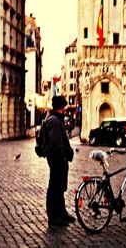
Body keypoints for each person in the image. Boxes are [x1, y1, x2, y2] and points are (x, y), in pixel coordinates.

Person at [45, 96, 75, 226]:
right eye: (64, 106)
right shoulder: (55, 122)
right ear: (61, 107)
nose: (66, 109)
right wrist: (63, 156)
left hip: (58, 158)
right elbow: (57, 144)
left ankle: (61, 212)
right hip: (57, 159)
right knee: (55, 187)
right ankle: (54, 216)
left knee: (59, 186)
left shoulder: (56, 119)